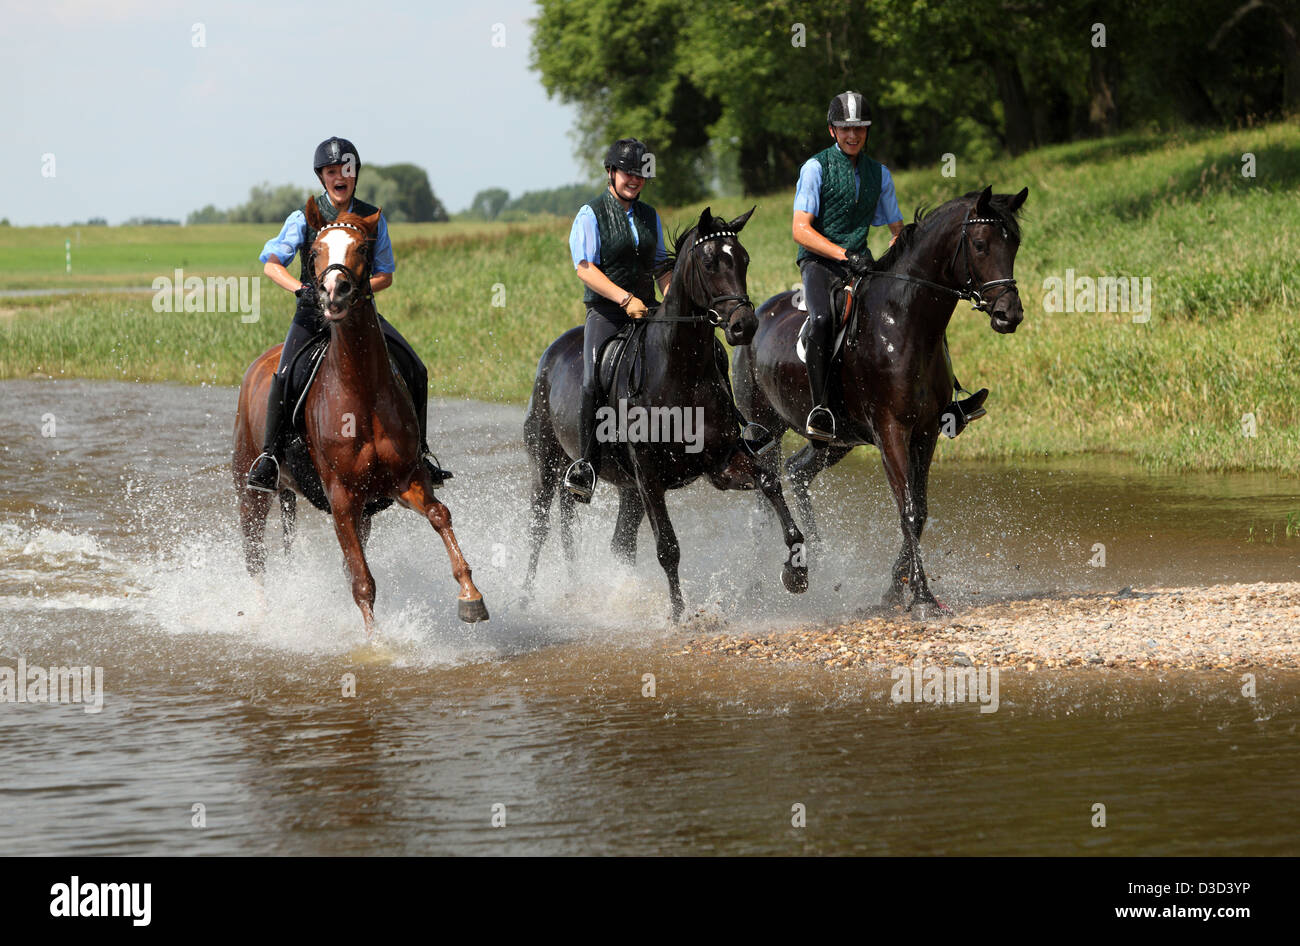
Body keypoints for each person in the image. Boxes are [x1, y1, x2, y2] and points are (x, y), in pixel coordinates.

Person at [244, 136, 451, 493]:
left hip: (359, 315)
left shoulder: (371, 219)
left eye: (346, 169)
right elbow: (271, 264)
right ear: (321, 177)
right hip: (313, 315)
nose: (339, 175)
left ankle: (421, 455)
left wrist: (357, 292)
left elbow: (385, 273)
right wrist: (301, 289)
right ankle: (270, 457)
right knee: (285, 373)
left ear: (355, 175)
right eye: (331, 171)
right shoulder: (304, 217)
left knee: (415, 368)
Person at [792, 91, 988, 441]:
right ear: (832, 131)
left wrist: (902, 255)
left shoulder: (879, 174)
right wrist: (843, 254)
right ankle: (821, 408)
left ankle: (950, 398)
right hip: (820, 264)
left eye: (860, 128)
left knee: (920, 311)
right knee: (823, 318)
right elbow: (800, 230)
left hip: (862, 265)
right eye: (845, 129)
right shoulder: (815, 168)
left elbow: (896, 231)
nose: (853, 135)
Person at [562, 137, 672, 502]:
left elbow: (660, 266)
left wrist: (671, 300)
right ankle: (586, 465)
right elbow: (585, 268)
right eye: (627, 172)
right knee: (594, 378)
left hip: (648, 312)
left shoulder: (649, 215)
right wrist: (625, 299)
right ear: (611, 172)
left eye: (641, 173)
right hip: (608, 313)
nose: (634, 179)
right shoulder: (590, 213)